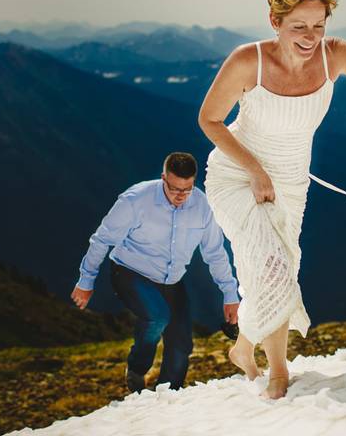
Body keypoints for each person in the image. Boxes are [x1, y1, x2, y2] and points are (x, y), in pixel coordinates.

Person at [198, 0, 346, 399]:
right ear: (275, 22)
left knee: (277, 268)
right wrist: (255, 170)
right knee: (273, 266)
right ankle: (279, 373)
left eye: (318, 25)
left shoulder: (335, 55)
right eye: (298, 25)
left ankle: (244, 348)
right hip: (237, 174)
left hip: (291, 183)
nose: (309, 35)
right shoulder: (249, 60)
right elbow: (209, 120)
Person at [70, 152, 240, 392]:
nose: (181, 196)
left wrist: (230, 295)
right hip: (130, 272)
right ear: (163, 178)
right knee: (158, 316)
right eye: (174, 189)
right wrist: (86, 281)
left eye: (187, 189)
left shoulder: (202, 205)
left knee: (181, 344)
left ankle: (167, 399)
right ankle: (137, 369)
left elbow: (215, 252)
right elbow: (102, 240)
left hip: (172, 281)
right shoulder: (135, 200)